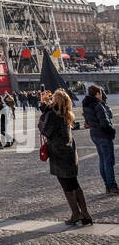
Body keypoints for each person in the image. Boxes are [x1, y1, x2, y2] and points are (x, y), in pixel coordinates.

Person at [39, 89, 92, 226]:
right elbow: (50, 112)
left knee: (66, 186)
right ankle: (85, 214)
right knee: (75, 184)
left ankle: (76, 214)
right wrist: (44, 104)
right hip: (69, 152)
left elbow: (46, 130)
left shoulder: (52, 114)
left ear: (56, 101)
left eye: (53, 98)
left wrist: (41, 120)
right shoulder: (66, 113)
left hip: (59, 154)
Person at [82, 85, 118, 194]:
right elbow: (104, 122)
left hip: (94, 133)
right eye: (100, 93)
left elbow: (88, 121)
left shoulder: (86, 104)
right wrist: (111, 131)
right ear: (97, 94)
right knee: (108, 161)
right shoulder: (98, 105)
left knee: (102, 160)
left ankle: (107, 186)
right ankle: (112, 186)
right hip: (103, 134)